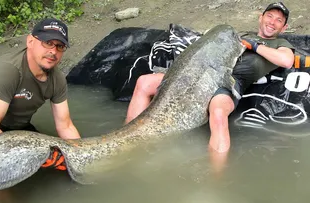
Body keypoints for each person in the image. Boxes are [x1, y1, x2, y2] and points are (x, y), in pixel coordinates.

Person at [124, 2, 294, 159]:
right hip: (201, 71)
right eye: (270, 16)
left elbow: (287, 61)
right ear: (261, 17)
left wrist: (256, 46)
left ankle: (216, 176)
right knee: (144, 82)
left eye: (279, 20)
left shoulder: (280, 43)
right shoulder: (238, 35)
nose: (272, 22)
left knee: (218, 113)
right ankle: (127, 137)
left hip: (228, 82)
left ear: (284, 27)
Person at [0, 18, 81, 158]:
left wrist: (80, 155)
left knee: (55, 158)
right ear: (30, 41)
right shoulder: (9, 70)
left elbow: (66, 126)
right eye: (48, 43)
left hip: (17, 128)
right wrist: (29, 154)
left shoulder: (57, 79)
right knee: (3, 163)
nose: (53, 51)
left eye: (60, 46)